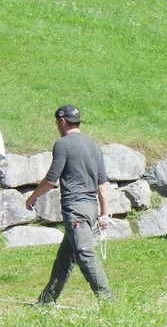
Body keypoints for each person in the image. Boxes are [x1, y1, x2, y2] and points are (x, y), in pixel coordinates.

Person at [25, 105, 114, 303]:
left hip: (75, 209)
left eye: (57, 123)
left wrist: (33, 197)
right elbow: (102, 184)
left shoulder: (63, 144)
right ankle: (46, 302)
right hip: (91, 208)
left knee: (84, 253)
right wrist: (104, 214)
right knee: (64, 258)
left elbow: (51, 179)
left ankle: (108, 300)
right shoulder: (93, 145)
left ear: (62, 121)